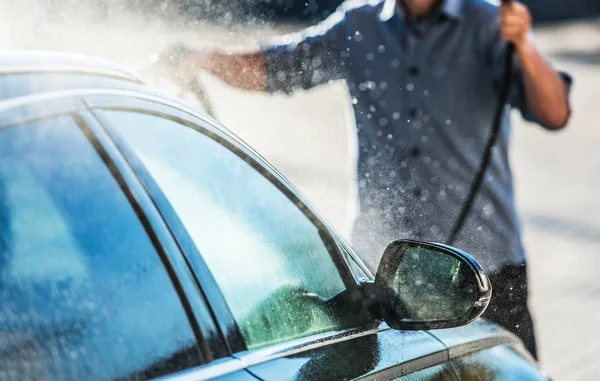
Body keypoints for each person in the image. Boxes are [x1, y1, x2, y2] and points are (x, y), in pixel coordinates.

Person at [164, 0, 572, 359]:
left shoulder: (488, 22)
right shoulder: (359, 24)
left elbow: (554, 112)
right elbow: (277, 68)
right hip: (388, 282)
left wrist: (524, 45)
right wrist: (201, 60)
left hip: (483, 277)